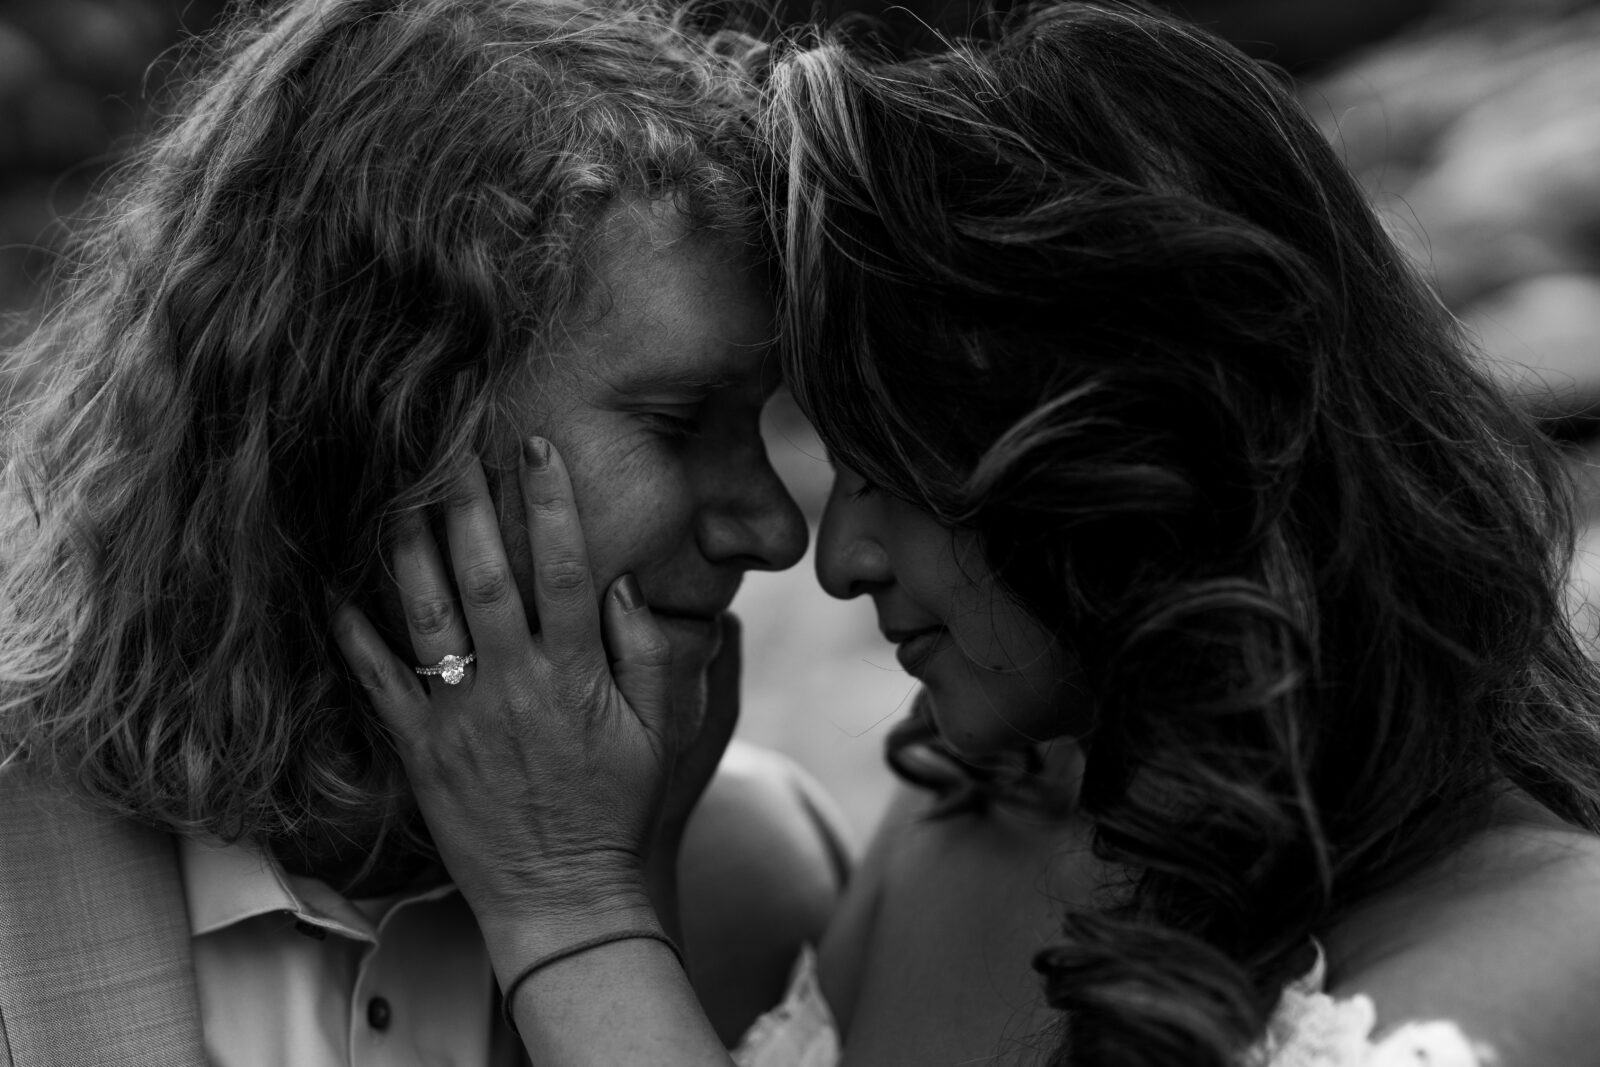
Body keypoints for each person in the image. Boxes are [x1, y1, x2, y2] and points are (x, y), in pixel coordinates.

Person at [336, 1, 1600, 1065]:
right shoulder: (955, 814)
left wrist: (571, 904)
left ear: (1133, 463)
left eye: (897, 474)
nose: (833, 560)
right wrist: (643, 855)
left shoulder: (1561, 940)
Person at [0, 0, 849, 1062]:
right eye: (679, 423)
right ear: (386, 421)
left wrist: (620, 896)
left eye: (763, 424)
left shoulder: (761, 877)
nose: (773, 531)